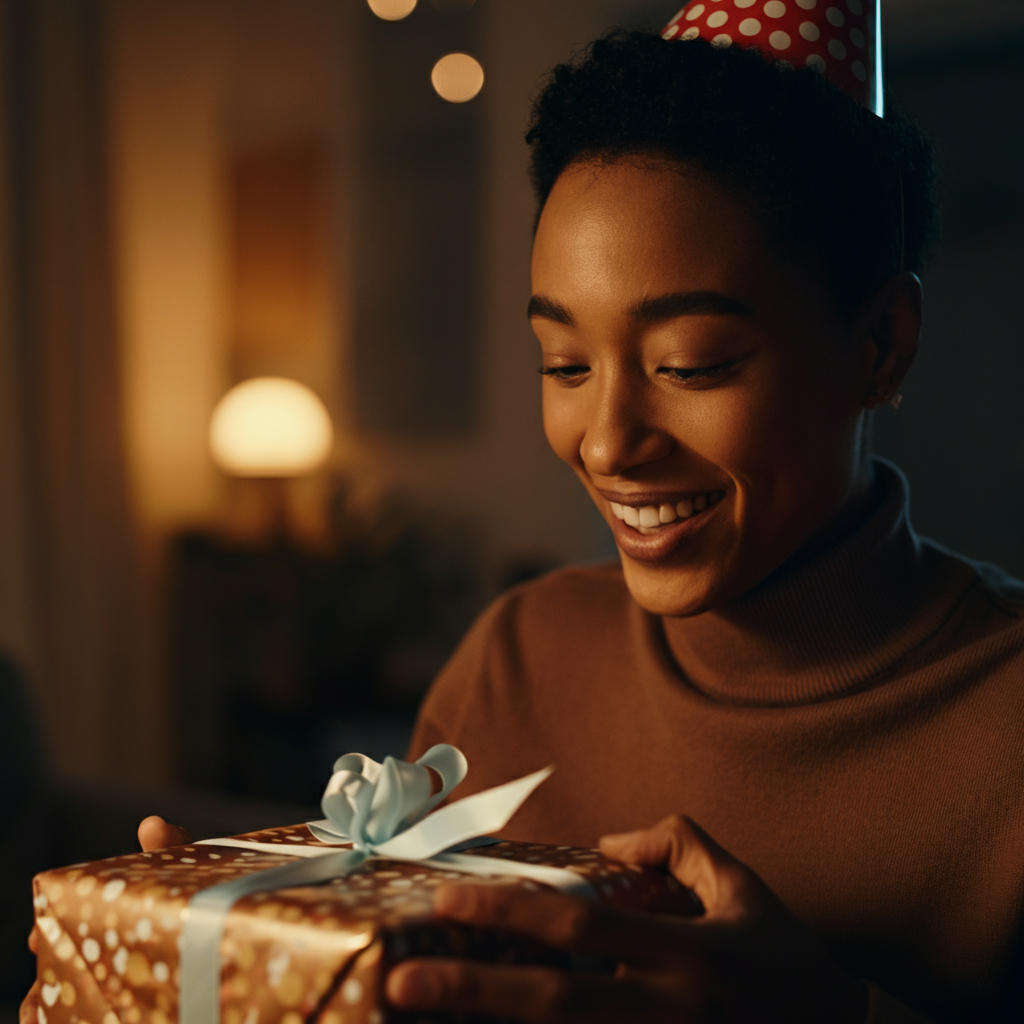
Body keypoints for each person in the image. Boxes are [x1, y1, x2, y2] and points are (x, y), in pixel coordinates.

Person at [138, 11, 1024, 1024]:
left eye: (690, 363)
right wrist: (219, 961)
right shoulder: (518, 658)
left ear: (878, 343)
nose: (606, 443)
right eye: (564, 364)